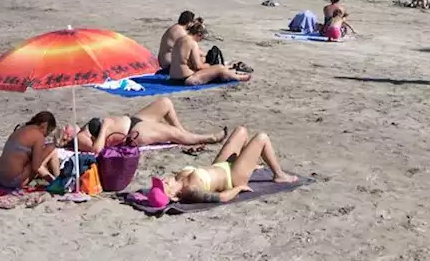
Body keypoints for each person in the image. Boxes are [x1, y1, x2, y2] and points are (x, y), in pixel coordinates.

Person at [159, 125, 298, 204]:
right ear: (172, 196)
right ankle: (279, 175)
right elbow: (221, 198)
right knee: (262, 138)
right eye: (163, 186)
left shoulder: (178, 177)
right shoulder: (190, 190)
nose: (163, 180)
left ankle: (250, 163)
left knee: (241, 131)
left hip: (220, 166)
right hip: (232, 177)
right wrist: (239, 188)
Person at [72, 98, 226, 153]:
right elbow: (96, 150)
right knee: (172, 133)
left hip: (134, 120)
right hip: (134, 133)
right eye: (62, 131)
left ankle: (183, 133)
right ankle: (209, 138)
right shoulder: (80, 138)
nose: (65, 127)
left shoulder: (81, 129)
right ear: (67, 137)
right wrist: (104, 128)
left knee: (165, 103)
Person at [168, 22, 252, 85]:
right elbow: (198, 66)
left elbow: (184, 60)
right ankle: (240, 77)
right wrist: (209, 65)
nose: (200, 40)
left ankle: (233, 73)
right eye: (201, 38)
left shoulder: (180, 40)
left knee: (217, 67)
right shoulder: (192, 43)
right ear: (199, 34)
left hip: (173, 78)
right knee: (220, 68)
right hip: (185, 79)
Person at [0, 111, 63, 188]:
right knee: (52, 149)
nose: (46, 135)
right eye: (48, 131)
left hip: (0, 177)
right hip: (13, 181)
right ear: (44, 125)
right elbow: (36, 167)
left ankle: (57, 179)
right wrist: (51, 180)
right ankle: (58, 180)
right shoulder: (39, 136)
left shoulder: (21, 129)